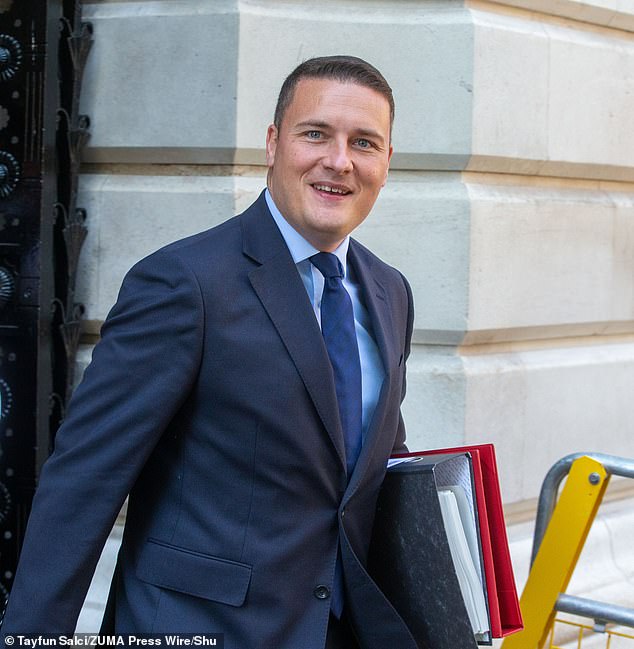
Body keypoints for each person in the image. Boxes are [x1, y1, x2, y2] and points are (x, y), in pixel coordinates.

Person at [0, 55, 417, 649]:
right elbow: (86, 479)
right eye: (316, 134)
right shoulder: (182, 283)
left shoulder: (389, 291)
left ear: (386, 162)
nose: (339, 161)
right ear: (274, 143)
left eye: (364, 142)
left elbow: (379, 464)